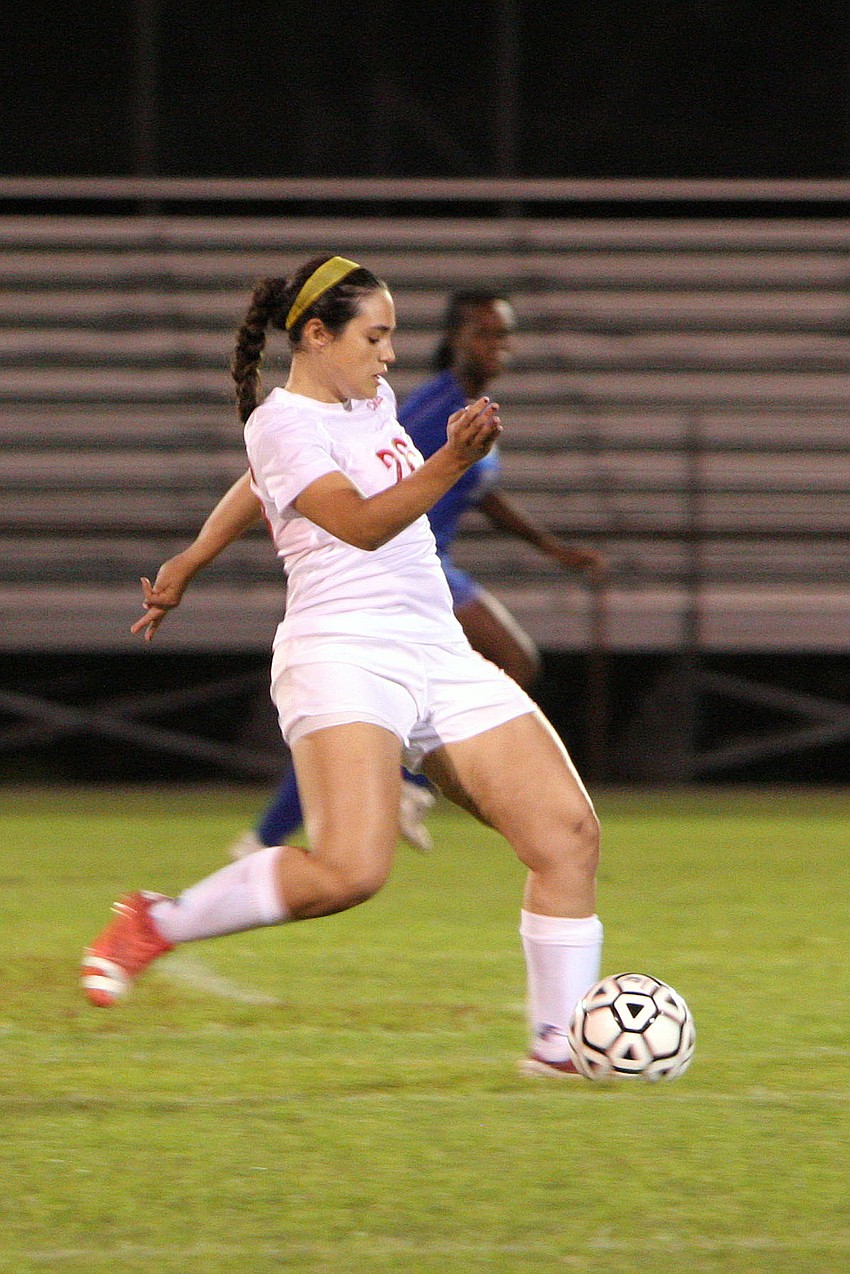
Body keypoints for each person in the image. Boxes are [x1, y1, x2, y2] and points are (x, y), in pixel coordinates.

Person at [83, 254, 604, 1077]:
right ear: (317, 336)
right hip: (343, 651)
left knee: (567, 837)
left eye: (392, 337)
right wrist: (451, 461)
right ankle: (159, 919)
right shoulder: (281, 421)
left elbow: (259, 489)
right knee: (351, 870)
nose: (391, 354)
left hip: (432, 643)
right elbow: (358, 524)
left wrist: (191, 557)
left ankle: (556, 1046)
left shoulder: (369, 400)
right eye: (377, 335)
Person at [132, 288, 605, 857]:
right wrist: (197, 553)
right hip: (373, 583)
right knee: (357, 821)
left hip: (419, 575)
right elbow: (306, 479)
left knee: (552, 825)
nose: (498, 346)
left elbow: (481, 492)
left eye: (504, 334)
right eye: (485, 333)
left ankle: (365, 795)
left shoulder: (380, 399)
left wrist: (552, 549)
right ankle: (350, 805)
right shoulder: (427, 409)